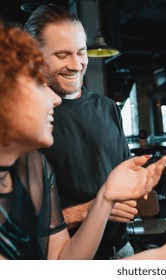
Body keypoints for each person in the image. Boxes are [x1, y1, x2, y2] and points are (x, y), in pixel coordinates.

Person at [0, 23, 166, 260]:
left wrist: (108, 197)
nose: (54, 100)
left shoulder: (36, 167)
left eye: (81, 52)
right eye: (36, 83)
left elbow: (62, 265)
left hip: (119, 246)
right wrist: (163, 258)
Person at [24, 4, 138, 259]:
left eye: (81, 52)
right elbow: (20, 226)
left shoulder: (107, 108)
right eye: (63, 55)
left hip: (122, 250)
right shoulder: (25, 122)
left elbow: (126, 174)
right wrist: (95, 208)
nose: (76, 64)